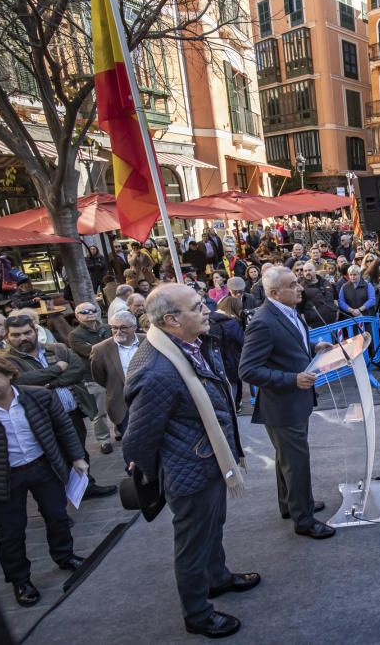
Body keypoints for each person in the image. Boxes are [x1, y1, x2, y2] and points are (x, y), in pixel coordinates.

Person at [124, 283, 257, 638]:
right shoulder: (155, 370)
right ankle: (198, 614)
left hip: (211, 459)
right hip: (189, 470)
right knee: (193, 543)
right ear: (170, 320)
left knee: (213, 527)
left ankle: (218, 577)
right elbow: (138, 438)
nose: (207, 310)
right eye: (198, 306)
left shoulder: (188, 342)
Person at [0, 355, 88, 606]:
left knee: (57, 516)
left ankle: (65, 556)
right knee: (12, 532)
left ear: (9, 375)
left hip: (43, 468)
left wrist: (77, 457)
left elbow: (63, 426)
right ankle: (20, 580)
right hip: (3, 479)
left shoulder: (38, 396)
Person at [239, 267, 335, 540]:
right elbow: (247, 370)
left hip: (295, 401)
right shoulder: (263, 322)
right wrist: (292, 379)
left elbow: (288, 343)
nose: (300, 288)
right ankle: (304, 519)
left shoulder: (288, 311)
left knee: (288, 459)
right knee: (297, 461)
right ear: (273, 293)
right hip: (282, 405)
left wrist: (313, 346)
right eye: (293, 285)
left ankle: (291, 504)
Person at [5, 314, 115, 499]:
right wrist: (57, 369)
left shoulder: (58, 349)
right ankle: (60, 496)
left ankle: (86, 486)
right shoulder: (9, 362)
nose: (23, 338)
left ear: (35, 331)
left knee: (78, 451)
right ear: (7, 337)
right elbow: (23, 380)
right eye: (16, 335)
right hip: (42, 418)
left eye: (27, 332)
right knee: (54, 458)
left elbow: (77, 370)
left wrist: (49, 383)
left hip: (71, 413)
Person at [69, 302, 116, 453]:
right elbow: (90, 352)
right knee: (99, 412)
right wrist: (106, 346)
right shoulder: (75, 335)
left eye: (93, 310)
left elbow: (116, 345)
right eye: (84, 311)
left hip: (113, 372)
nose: (90, 313)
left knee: (118, 405)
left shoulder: (107, 328)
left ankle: (120, 431)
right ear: (77, 316)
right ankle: (104, 440)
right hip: (92, 376)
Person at [89, 311, 142, 439]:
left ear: (134, 327)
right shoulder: (100, 349)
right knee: (131, 442)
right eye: (114, 327)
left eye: (123, 327)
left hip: (151, 400)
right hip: (122, 405)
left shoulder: (148, 341)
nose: (118, 331)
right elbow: (99, 377)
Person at [298, 262, 339, 328]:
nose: (307, 272)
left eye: (309, 270)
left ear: (315, 270)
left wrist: (337, 313)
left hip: (333, 323)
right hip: (316, 326)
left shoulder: (327, 282)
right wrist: (307, 326)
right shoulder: (301, 288)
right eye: (305, 271)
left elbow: (335, 299)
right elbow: (300, 310)